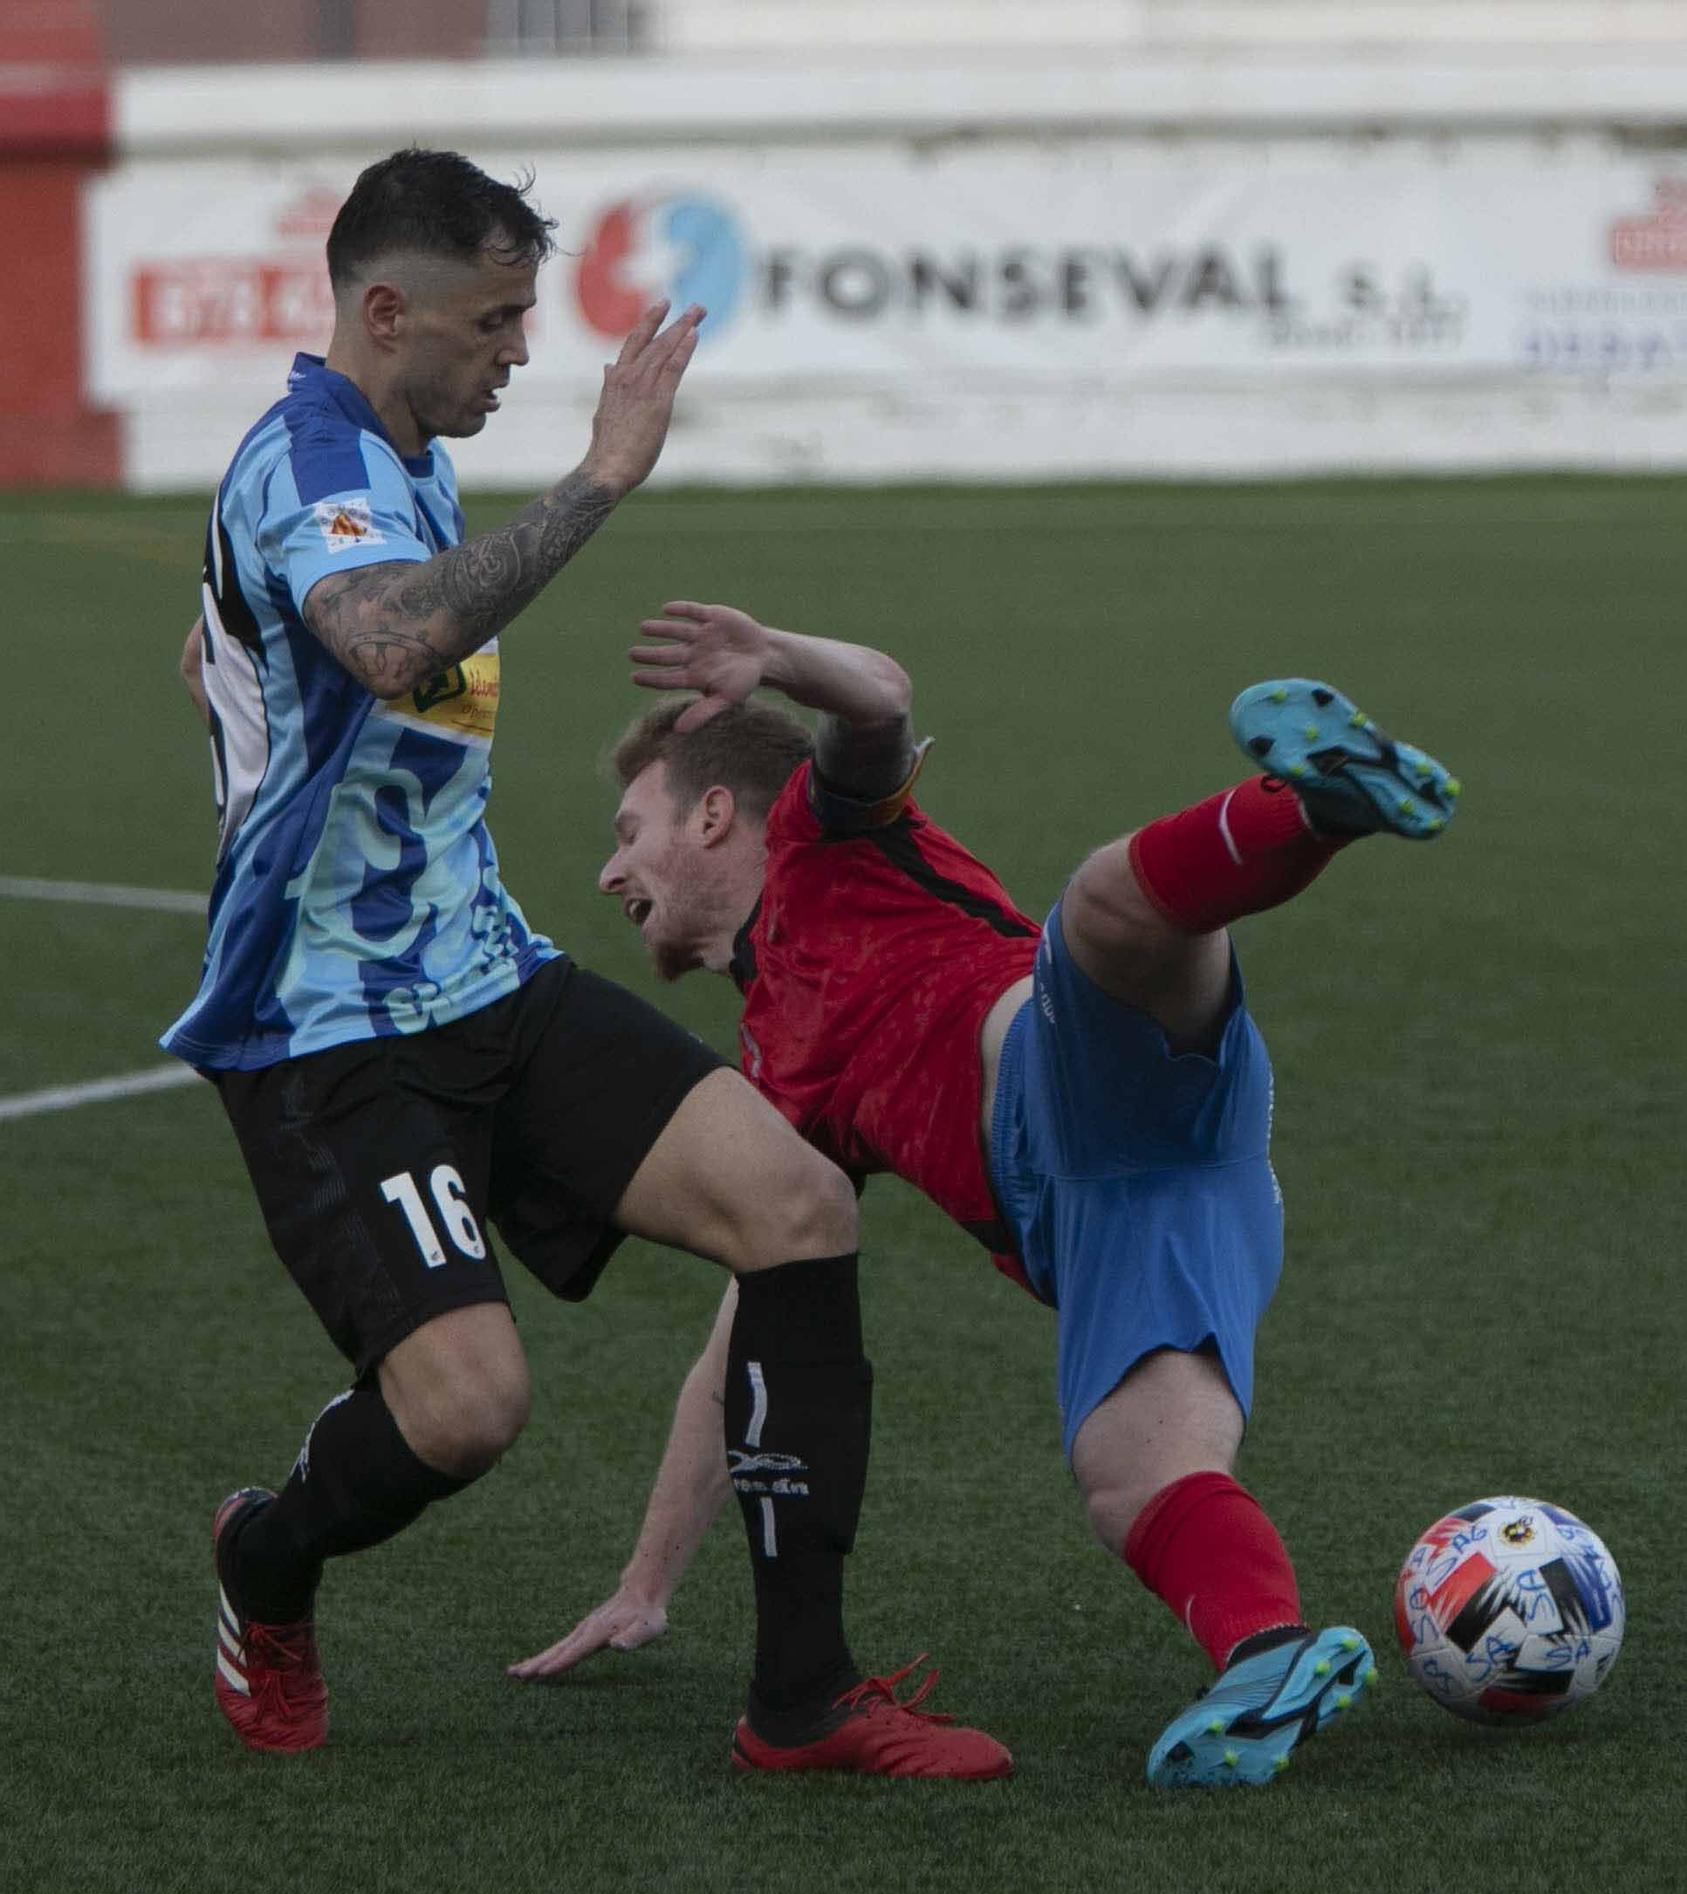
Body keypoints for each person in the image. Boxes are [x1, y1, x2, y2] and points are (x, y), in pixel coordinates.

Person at [168, 149, 1010, 1782]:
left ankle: (803, 1700)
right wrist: (601, 476)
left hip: (492, 982)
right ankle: (266, 1560)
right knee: (468, 1408)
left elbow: (279, 647)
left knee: (796, 1207)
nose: (519, 354)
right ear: (385, 308)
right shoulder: (309, 459)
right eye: (491, 324)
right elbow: (395, 638)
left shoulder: (395, 459)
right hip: (327, 1034)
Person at [509, 598, 1461, 1787]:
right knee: (1134, 1477)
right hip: (1146, 1209)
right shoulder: (766, 1079)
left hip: (1070, 1078)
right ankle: (1268, 1651)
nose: (608, 869)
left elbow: (879, 700)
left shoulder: (822, 834)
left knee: (1102, 915)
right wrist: (645, 1582)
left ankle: (1312, 805)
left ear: (712, 813)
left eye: (627, 830)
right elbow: (744, 1351)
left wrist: (780, 661)